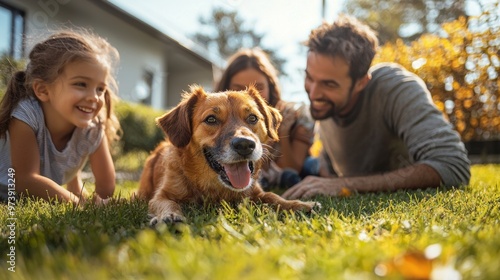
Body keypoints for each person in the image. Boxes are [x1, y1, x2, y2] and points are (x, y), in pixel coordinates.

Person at [282, 15, 471, 199]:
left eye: (329, 84)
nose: (313, 94)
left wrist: (344, 184)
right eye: (309, 77)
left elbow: (453, 166)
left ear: (361, 83)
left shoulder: (395, 88)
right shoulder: (326, 110)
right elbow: (331, 175)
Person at [0, 30, 122, 205]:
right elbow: (25, 180)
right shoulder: (26, 116)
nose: (94, 97)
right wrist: (78, 202)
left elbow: (106, 188)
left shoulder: (92, 128)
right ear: (43, 90)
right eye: (81, 84)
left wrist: (82, 191)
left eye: (100, 89)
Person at [215, 48, 318, 189]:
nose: (249, 96)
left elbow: (292, 168)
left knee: (311, 165)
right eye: (239, 88)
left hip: (296, 173)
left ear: (270, 86)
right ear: (226, 89)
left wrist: (282, 132)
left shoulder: (296, 113)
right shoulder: (217, 122)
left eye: (259, 88)